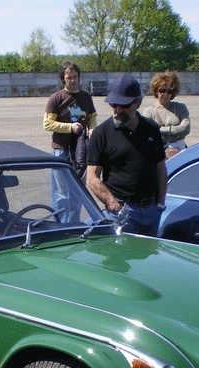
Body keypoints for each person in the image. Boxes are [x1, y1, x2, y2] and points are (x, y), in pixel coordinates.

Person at [86, 74, 167, 237]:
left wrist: (160, 204)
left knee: (150, 258)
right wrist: (114, 205)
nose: (118, 110)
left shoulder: (151, 129)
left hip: (151, 211)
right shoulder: (102, 133)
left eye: (124, 105)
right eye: (113, 105)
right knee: (121, 261)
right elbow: (91, 177)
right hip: (121, 213)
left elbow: (160, 167)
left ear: (138, 103)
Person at [44, 62, 97, 222]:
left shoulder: (86, 97)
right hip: (61, 150)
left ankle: (73, 224)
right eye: (68, 77)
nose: (72, 80)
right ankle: (60, 226)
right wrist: (70, 127)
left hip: (79, 151)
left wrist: (92, 129)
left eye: (75, 77)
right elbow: (47, 124)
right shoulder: (56, 98)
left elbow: (92, 116)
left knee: (76, 190)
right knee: (61, 193)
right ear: (63, 79)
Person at [142, 71, 191, 158]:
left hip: (180, 151)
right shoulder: (148, 111)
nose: (165, 94)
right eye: (162, 90)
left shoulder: (180, 107)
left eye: (169, 91)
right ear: (156, 91)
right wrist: (177, 130)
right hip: (160, 154)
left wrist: (161, 130)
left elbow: (186, 128)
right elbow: (148, 131)